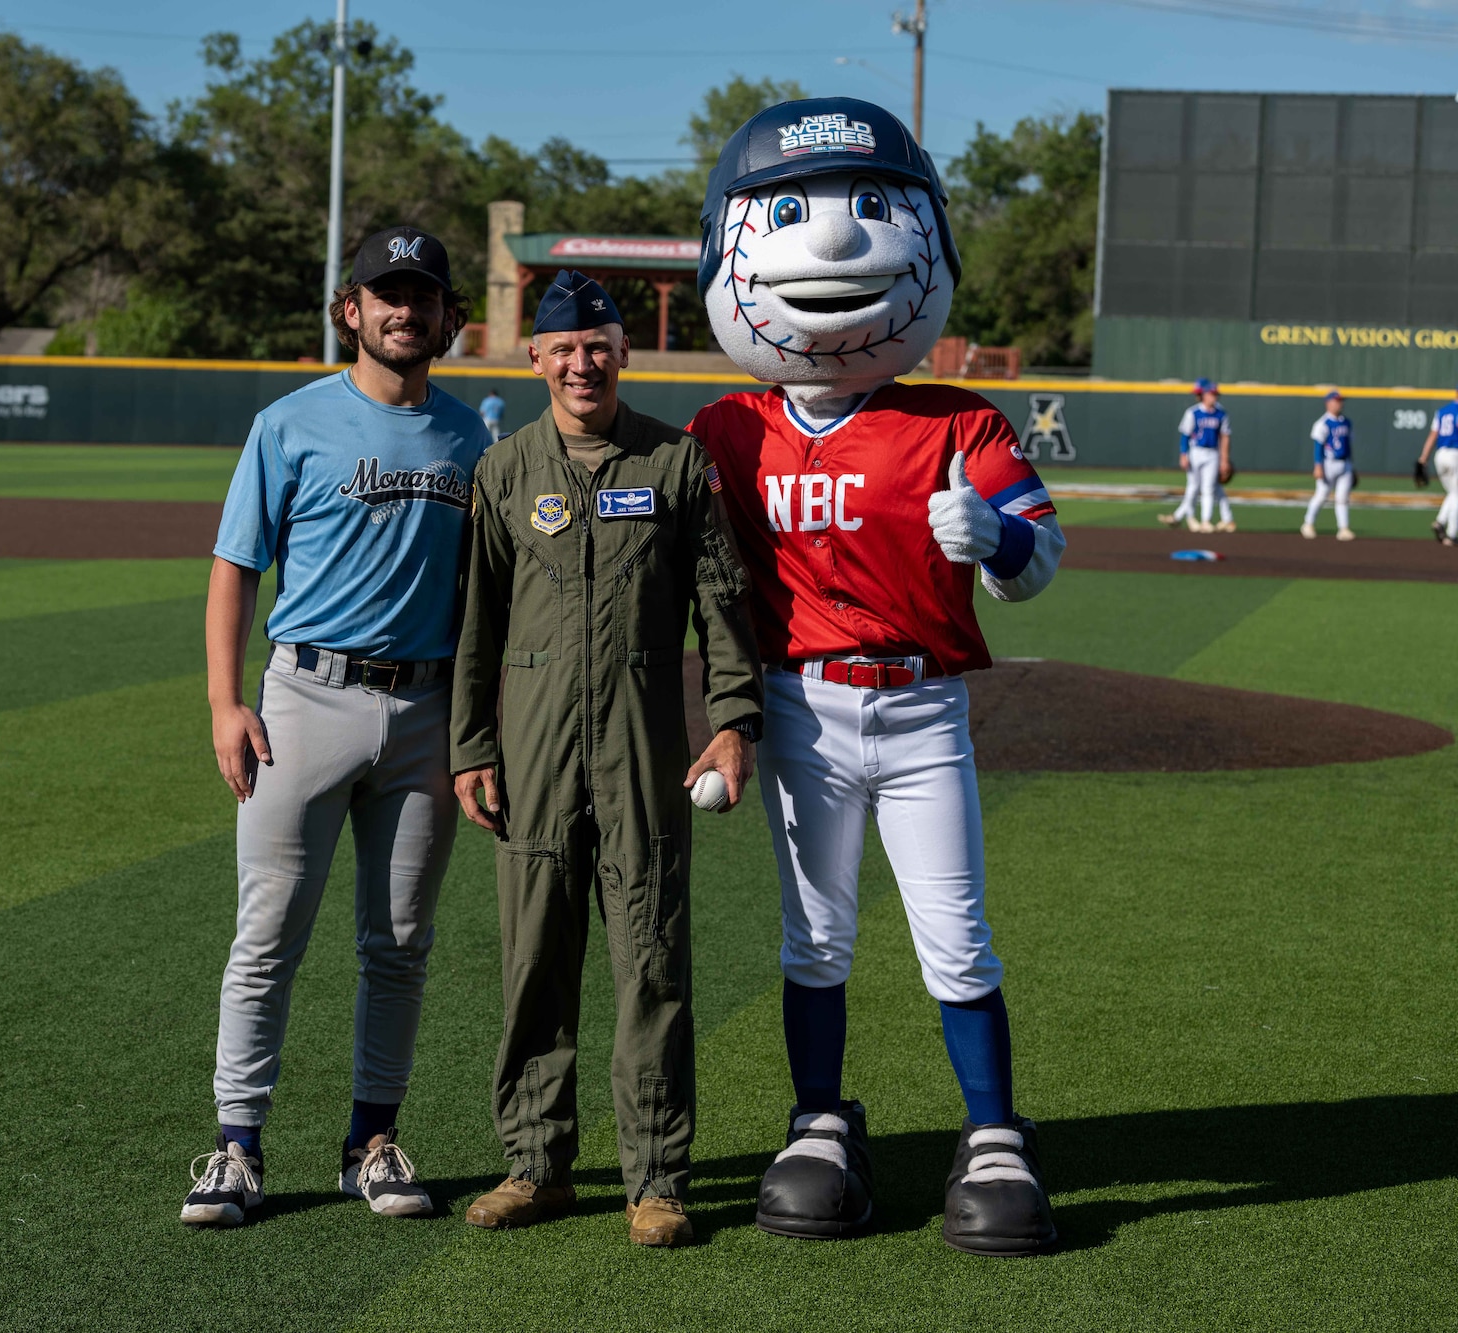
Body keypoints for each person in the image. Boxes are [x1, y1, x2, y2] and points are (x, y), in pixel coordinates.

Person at [691, 95, 1066, 1255]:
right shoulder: (723, 428)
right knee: (815, 937)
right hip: (799, 704)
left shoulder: (957, 423)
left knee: (954, 936)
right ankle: (817, 1118)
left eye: (868, 211)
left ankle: (993, 1130)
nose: (837, 245)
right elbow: (678, 581)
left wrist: (993, 540)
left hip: (918, 707)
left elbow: (1037, 556)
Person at [183, 226, 491, 1229]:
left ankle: (372, 1138)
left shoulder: (470, 440)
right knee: (267, 934)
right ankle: (235, 1144)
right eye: (384, 293)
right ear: (349, 309)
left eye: (422, 295)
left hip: (426, 711)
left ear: (448, 316)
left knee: (398, 941)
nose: (404, 310)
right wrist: (226, 703)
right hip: (303, 703)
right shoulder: (288, 423)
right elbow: (236, 567)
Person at [451, 270, 763, 1249]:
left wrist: (731, 718)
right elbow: (475, 626)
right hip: (535, 744)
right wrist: (469, 744)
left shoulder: (675, 465)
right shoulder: (503, 471)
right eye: (562, 348)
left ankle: (656, 1181)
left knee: (650, 960)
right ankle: (534, 1165)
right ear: (533, 359)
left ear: (621, 354)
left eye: (598, 344)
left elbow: (721, 605)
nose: (581, 363)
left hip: (639, 743)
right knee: (534, 957)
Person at [1158, 380, 1233, 533]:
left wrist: (1224, 459)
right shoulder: (1193, 412)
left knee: (1208, 488)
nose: (1214, 397)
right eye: (1211, 394)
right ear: (1204, 395)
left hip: (1212, 453)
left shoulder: (1221, 413)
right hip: (1196, 451)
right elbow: (1185, 435)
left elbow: (1225, 437)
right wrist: (1183, 454)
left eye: (1215, 394)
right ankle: (1189, 517)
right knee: (1192, 487)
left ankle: (1206, 521)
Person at [1301, 390, 1354, 541]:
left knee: (1343, 497)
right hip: (1328, 463)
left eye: (1341, 400)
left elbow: (1349, 445)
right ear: (1328, 403)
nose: (1340, 403)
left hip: (1345, 463)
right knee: (1322, 495)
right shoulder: (1322, 423)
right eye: (1337, 401)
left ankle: (1343, 528)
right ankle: (1308, 524)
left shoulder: (1346, 422)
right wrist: (1318, 466)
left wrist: (1352, 465)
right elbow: (1318, 446)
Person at [1416, 389, 1458, 547]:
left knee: (1453, 492)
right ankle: (1451, 534)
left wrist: (1423, 458)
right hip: (1455, 454)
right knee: (1457, 494)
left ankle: (1440, 522)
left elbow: (1433, 435)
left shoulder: (1442, 411)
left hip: (1440, 455)